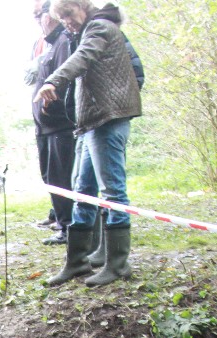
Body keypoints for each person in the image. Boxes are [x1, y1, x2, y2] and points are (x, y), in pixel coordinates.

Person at [36, 0, 142, 287]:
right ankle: (78, 261)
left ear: (81, 5)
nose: (67, 22)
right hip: (89, 123)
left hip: (108, 118)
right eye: (62, 18)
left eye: (68, 14)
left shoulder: (100, 27)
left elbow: (83, 57)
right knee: (82, 191)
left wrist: (53, 81)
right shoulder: (85, 31)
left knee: (112, 192)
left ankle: (118, 264)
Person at [31, 0, 76, 246]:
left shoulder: (64, 42)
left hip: (60, 125)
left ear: (52, 15)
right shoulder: (48, 45)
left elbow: (66, 81)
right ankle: (61, 222)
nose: (38, 20)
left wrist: (51, 107)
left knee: (62, 179)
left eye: (39, 15)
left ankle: (69, 228)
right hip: (45, 127)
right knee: (51, 178)